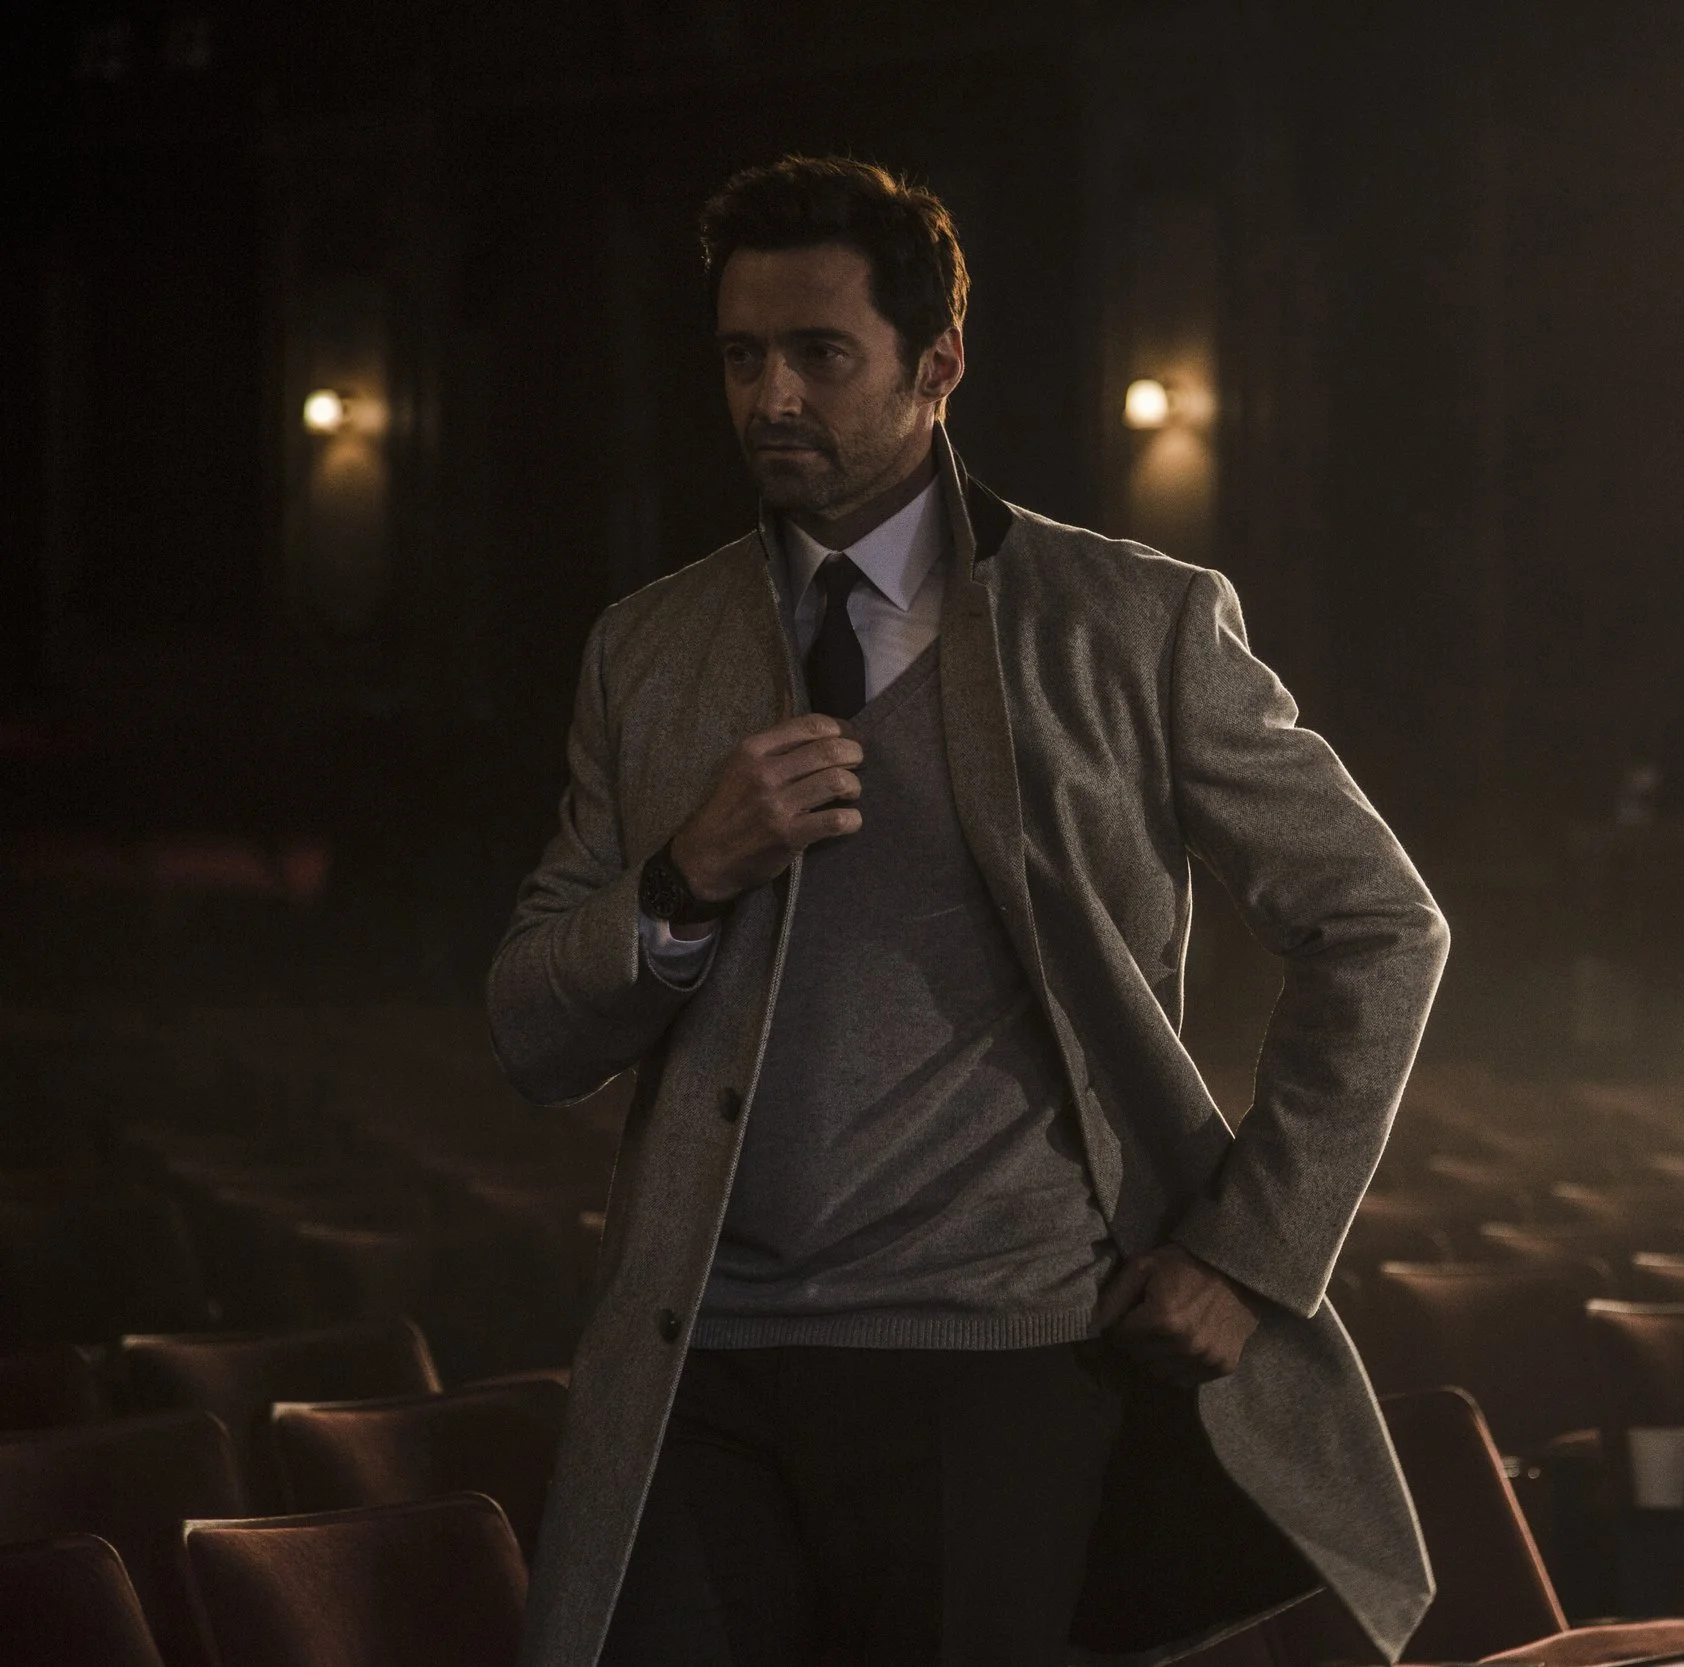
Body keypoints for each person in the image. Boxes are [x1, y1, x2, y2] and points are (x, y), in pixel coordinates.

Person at [486, 154, 1449, 1667]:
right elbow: (531, 1025)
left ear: (937, 366)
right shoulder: (648, 649)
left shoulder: (1134, 625)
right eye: (743, 356)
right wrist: (687, 874)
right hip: (702, 1362)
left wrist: (1253, 1253)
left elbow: (1386, 925)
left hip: (995, 1361)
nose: (771, 397)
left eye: (820, 354)